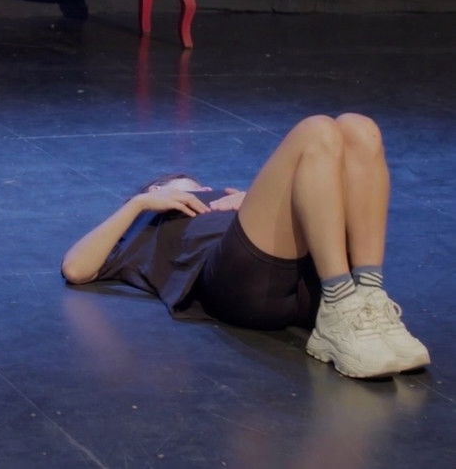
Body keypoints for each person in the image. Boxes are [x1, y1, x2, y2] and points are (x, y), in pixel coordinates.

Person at [61, 113, 430, 379]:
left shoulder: (232, 199)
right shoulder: (148, 226)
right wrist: (140, 204)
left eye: (197, 184)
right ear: (157, 190)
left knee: (359, 128)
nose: (197, 187)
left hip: (305, 272)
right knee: (316, 130)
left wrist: (254, 198)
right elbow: (76, 268)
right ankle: (339, 306)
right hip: (241, 285)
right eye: (182, 183)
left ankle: (367, 296)